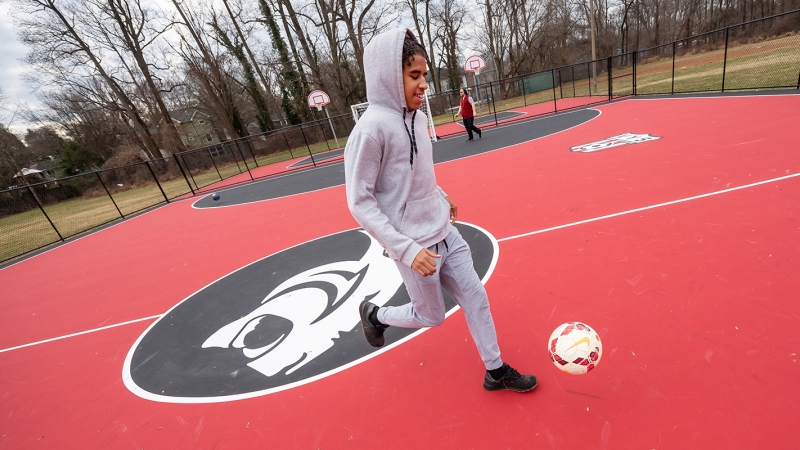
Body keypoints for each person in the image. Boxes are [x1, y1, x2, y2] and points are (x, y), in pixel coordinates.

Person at [343, 29, 536, 393]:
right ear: (389, 76)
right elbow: (360, 201)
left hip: (445, 231)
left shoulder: (416, 118)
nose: (423, 86)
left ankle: (495, 371)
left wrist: (441, 194)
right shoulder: (369, 132)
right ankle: (376, 314)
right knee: (430, 316)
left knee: (476, 296)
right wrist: (408, 250)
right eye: (414, 76)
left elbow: (417, 172)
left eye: (424, 76)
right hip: (415, 246)